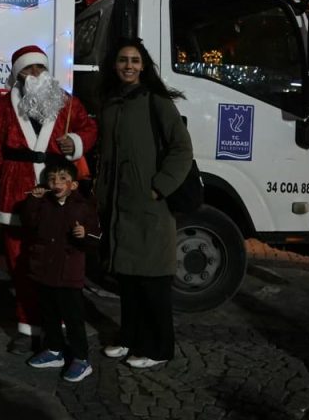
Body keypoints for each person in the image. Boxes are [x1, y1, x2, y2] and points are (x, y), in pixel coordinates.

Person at [0, 45, 97, 354]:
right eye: (28, 69)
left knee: (56, 262)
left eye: (39, 69)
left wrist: (75, 141)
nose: (34, 74)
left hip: (55, 192)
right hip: (15, 194)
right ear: (17, 74)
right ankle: (27, 326)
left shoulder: (66, 103)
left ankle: (56, 327)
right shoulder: (3, 108)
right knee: (20, 263)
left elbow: (89, 127)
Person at [95, 39, 193, 370]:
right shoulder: (110, 102)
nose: (128, 65)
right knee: (128, 280)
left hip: (150, 206)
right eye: (123, 59)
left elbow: (181, 148)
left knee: (152, 281)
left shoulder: (156, 101)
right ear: (114, 64)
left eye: (135, 60)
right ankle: (130, 337)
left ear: (144, 65)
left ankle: (159, 347)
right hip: (119, 207)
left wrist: (159, 187)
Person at [22, 160, 101, 382]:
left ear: (74, 185)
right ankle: (54, 350)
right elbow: (29, 223)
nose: (57, 183)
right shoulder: (44, 203)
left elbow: (95, 239)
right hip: (44, 270)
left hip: (69, 274)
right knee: (49, 314)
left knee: (73, 318)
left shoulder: (83, 207)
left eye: (63, 178)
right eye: (52, 179)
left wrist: (84, 234)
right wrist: (33, 201)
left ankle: (81, 359)